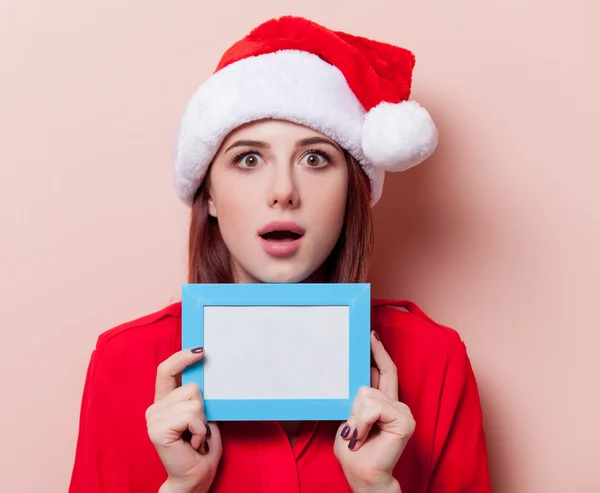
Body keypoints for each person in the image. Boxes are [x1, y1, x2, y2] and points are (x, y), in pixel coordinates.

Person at [68, 15, 492, 493]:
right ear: (207, 194)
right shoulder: (124, 363)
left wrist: (377, 488)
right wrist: (181, 488)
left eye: (315, 158)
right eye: (249, 159)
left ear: (353, 190)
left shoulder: (435, 363)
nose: (284, 192)